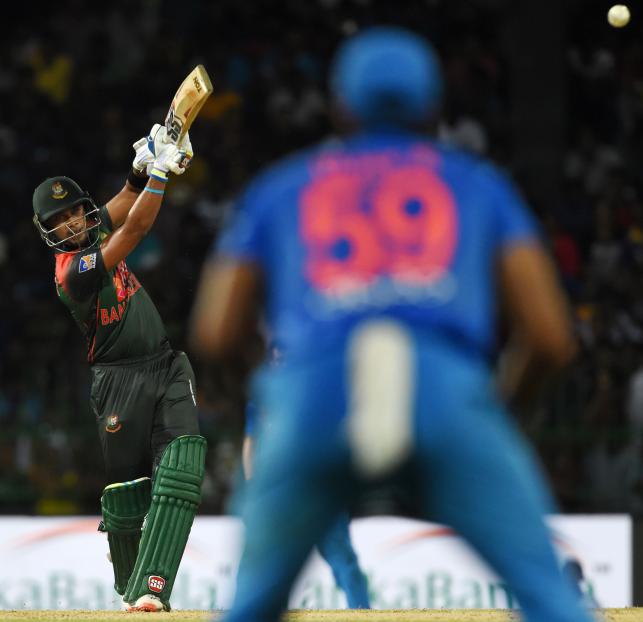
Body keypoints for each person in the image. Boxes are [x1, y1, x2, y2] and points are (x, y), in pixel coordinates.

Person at [190, 27, 594, 622]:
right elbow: (553, 336)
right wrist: (500, 407)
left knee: (249, 609)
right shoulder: (479, 184)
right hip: (446, 391)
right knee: (551, 599)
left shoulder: (280, 189)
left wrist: (277, 392)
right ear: (435, 109)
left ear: (338, 108)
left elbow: (216, 330)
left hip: (315, 397)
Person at [32, 125, 207, 613]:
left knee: (185, 464)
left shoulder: (92, 225)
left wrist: (141, 167)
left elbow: (127, 200)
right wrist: (160, 175)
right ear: (50, 231)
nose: (72, 223)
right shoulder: (72, 270)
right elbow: (136, 229)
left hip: (165, 363)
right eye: (60, 220)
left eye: (74, 212)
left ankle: (152, 591)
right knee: (128, 497)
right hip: (117, 381)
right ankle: (129, 591)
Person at [243, 394, 370, 609]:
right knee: (271, 568)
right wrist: (253, 485)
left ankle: (361, 611)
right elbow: (251, 443)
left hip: (320, 488)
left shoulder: (309, 389)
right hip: (283, 495)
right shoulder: (263, 396)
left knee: (343, 560)